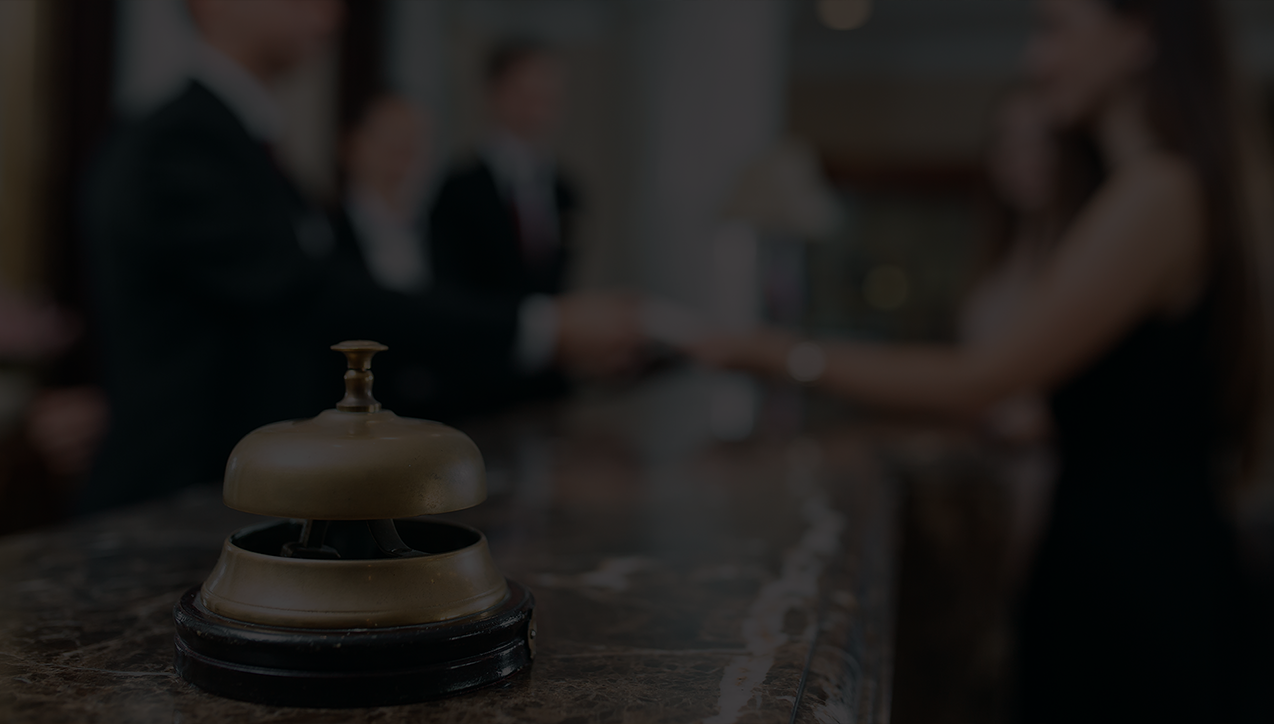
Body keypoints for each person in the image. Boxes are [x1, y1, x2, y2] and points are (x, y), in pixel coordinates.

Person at [690, 0, 1266, 720]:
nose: (1034, 59)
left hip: (1143, 578)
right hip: (1118, 558)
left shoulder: (1159, 191)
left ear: (1138, 36)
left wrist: (775, 353)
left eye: (1055, 28)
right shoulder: (1140, 189)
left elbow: (983, 377)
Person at [82, 0, 640, 512]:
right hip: (172, 502)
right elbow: (312, 297)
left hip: (234, 494)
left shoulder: (238, 142)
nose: (328, 13)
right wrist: (542, 327)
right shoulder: (181, 144)